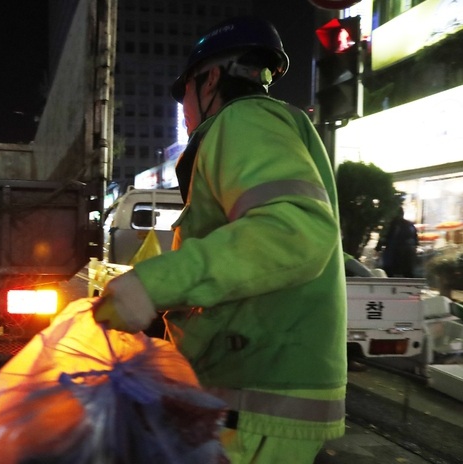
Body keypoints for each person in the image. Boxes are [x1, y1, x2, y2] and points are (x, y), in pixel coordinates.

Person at [93, 16, 347, 463]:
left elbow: (293, 231)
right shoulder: (272, 127)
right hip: (259, 393)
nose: (185, 110)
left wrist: (152, 285)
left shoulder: (244, 119)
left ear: (211, 78)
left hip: (258, 397)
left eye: (185, 92)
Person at [375, 207, 419, 277]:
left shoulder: (390, 225)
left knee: (389, 273)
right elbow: (415, 239)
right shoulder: (410, 225)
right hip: (408, 253)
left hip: (393, 252)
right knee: (408, 273)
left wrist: (378, 248)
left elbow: (383, 238)